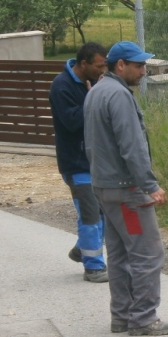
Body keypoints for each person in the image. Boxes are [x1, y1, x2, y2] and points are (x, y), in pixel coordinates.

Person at [83, 41, 168, 336]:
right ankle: (144, 319)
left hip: (103, 187)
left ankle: (122, 316)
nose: (144, 72)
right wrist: (149, 185)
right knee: (147, 254)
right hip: (127, 192)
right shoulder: (119, 96)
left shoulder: (96, 90)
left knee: (122, 254)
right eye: (138, 66)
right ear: (120, 65)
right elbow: (132, 145)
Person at [49, 42, 109, 283]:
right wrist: (92, 98)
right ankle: (94, 267)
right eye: (98, 65)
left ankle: (81, 249)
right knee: (91, 216)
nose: (102, 69)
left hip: (97, 161)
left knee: (103, 214)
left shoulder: (96, 81)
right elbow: (72, 122)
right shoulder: (61, 86)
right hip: (76, 163)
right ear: (83, 64)